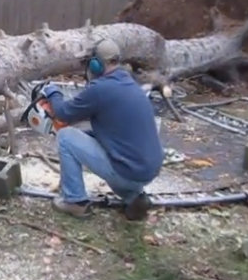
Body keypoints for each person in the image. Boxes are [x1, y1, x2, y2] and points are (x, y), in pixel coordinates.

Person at [39, 38, 164, 221]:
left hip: (129, 171)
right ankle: (135, 197)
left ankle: (75, 201)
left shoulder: (100, 89)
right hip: (148, 169)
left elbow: (64, 113)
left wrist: (53, 93)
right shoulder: (130, 84)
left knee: (66, 137)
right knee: (109, 151)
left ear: (96, 64)